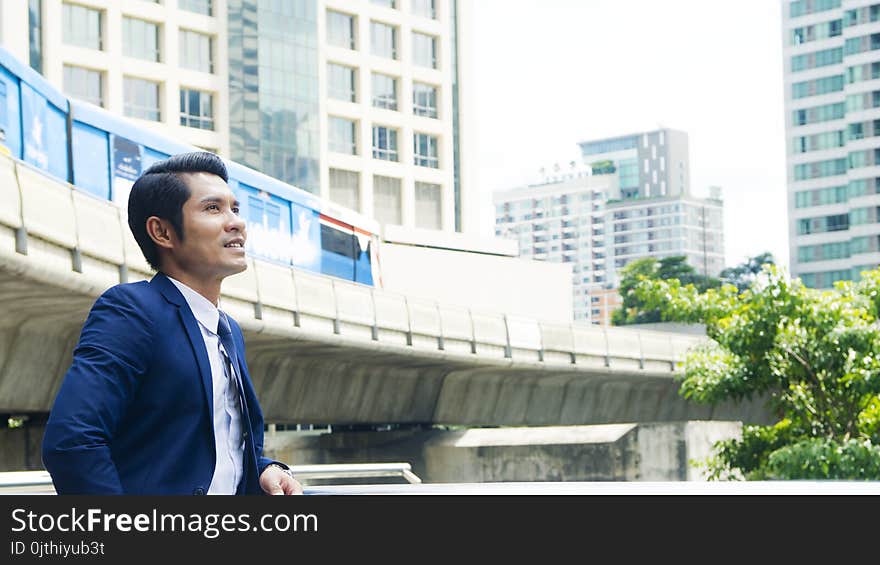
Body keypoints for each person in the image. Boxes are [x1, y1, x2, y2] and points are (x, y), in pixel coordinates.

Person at [42, 152, 303, 495]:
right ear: (162, 231)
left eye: (235, 209)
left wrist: (264, 469)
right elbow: (72, 442)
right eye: (213, 208)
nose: (236, 222)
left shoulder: (228, 330)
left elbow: (216, 446)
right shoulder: (132, 311)